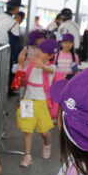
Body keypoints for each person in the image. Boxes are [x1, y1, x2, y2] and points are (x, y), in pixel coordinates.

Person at [17, 38, 59, 167]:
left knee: (44, 132)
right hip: (28, 101)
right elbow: (23, 78)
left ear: (50, 56)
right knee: (27, 129)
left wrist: (43, 66)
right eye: (39, 49)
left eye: (43, 51)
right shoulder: (30, 64)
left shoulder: (51, 67)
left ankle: (47, 143)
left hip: (42, 103)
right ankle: (27, 156)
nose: (39, 52)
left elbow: (51, 70)